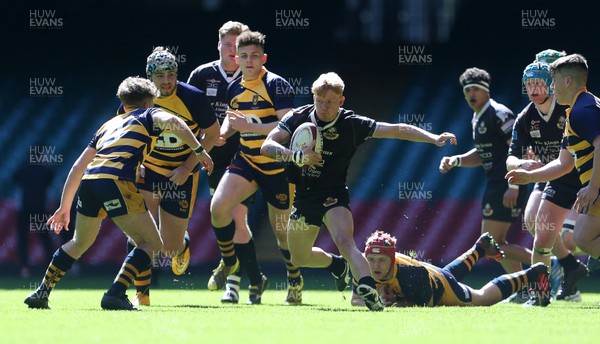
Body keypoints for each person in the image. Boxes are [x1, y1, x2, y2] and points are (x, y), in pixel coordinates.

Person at [260, 72, 458, 311]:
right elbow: (267, 146)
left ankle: (368, 290)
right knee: (298, 257)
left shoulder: (352, 124)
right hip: (303, 197)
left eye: (330, 102)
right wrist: (296, 156)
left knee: (345, 241)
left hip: (333, 195)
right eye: (319, 101)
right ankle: (337, 266)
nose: (323, 107)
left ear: (341, 101)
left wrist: (433, 138)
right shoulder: (297, 117)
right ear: (313, 97)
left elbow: (396, 129)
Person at [24, 76, 214, 310]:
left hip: (90, 182)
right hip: (116, 181)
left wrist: (64, 206)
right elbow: (175, 122)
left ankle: (42, 292)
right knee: (153, 244)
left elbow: (77, 166)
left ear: (124, 105)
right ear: (148, 103)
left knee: (79, 241)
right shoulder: (149, 115)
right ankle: (115, 293)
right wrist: (199, 151)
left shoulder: (107, 125)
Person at [209, 30, 303, 304]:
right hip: (247, 160)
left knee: (282, 235)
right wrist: (224, 133)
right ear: (236, 58)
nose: (249, 61)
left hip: (276, 167)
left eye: (254, 56)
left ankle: (295, 280)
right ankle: (231, 264)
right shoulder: (233, 88)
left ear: (263, 58)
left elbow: (287, 125)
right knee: (218, 208)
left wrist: (249, 127)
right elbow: (232, 118)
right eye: (244, 56)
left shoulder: (276, 85)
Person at [123, 47, 220, 307]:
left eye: (171, 74)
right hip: (148, 171)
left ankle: (183, 244)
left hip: (181, 175)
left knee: (169, 249)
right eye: (160, 76)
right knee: (139, 236)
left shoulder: (194, 98)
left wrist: (187, 167)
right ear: (149, 78)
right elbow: (122, 135)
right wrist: (136, 164)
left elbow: (212, 135)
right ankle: (141, 295)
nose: (166, 81)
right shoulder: (137, 98)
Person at [187, 21, 268, 305]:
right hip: (212, 158)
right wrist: (202, 138)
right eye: (228, 45)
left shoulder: (253, 78)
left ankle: (231, 282)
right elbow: (187, 117)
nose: (233, 51)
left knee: (237, 218)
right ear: (218, 45)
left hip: (245, 158)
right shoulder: (201, 75)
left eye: (238, 46)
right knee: (223, 216)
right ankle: (256, 279)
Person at [507, 53, 600, 283]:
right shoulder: (574, 111)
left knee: (576, 238)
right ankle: (541, 291)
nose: (552, 86)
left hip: (592, 184)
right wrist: (528, 175)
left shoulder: (582, 110)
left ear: (567, 81)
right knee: (575, 236)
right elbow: (563, 163)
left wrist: (592, 187)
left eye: (553, 81)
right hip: (580, 183)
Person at [439, 67, 531, 276]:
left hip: (506, 183)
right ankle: (523, 286)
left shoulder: (498, 113)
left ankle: (554, 264)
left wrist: (514, 185)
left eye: (474, 89)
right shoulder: (478, 117)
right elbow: (482, 154)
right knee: (494, 245)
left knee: (490, 245)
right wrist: (456, 160)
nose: (470, 94)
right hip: (495, 184)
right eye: (466, 91)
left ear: (486, 91)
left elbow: (520, 148)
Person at [352, 230, 550, 307]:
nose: (375, 266)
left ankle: (533, 273)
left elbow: (427, 304)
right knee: (448, 273)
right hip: (432, 273)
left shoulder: (410, 275)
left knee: (481, 298)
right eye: (371, 259)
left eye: (381, 260)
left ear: (392, 259)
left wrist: (391, 303)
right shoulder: (361, 267)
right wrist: (375, 301)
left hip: (439, 287)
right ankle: (480, 248)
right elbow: (355, 300)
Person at [13, 158, 56, 278]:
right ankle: (50, 268)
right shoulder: (44, 170)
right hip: (39, 208)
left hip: (26, 208)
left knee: (24, 238)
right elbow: (50, 178)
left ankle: (24, 267)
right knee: (45, 238)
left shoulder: (24, 169)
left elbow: (15, 178)